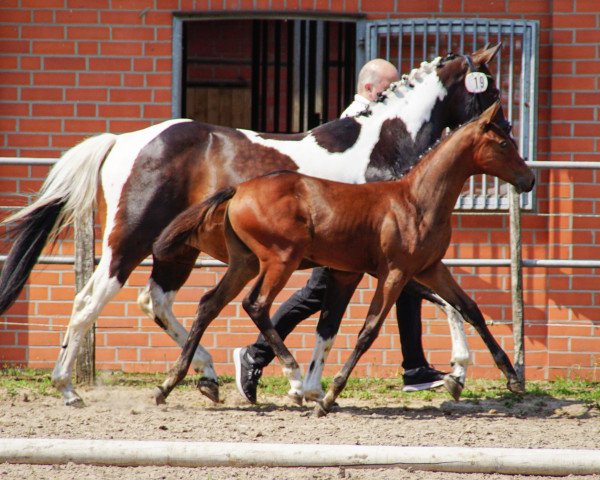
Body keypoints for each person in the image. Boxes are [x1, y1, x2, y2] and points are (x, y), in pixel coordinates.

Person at [233, 59, 445, 403]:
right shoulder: (354, 123)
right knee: (315, 295)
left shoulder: (377, 123)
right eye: (387, 88)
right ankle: (254, 355)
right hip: (337, 227)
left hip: (361, 226)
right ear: (369, 88)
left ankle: (415, 367)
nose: (392, 94)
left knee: (405, 283)